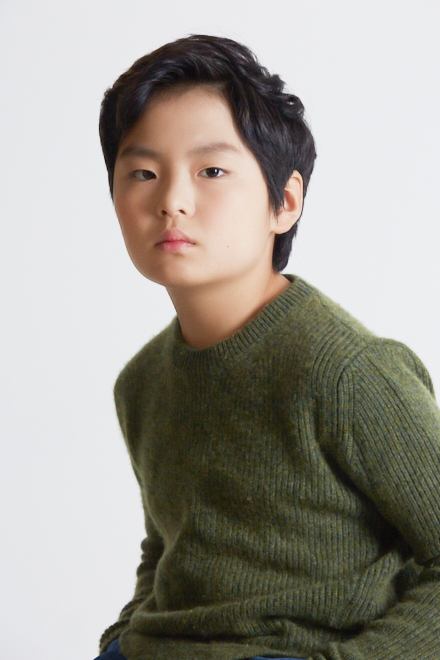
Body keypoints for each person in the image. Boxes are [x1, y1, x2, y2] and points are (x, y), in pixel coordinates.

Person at [94, 34, 440, 660]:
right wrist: (118, 641)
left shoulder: (348, 372)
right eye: (143, 173)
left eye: (211, 171)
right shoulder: (140, 382)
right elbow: (168, 550)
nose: (171, 200)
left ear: (284, 202)